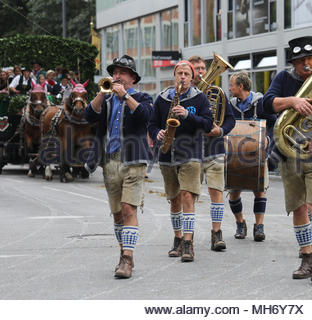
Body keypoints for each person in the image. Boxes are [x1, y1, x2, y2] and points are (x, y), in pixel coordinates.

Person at [262, 35, 312, 283]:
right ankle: (306, 256)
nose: (307, 64)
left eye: (310, 59)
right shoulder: (283, 79)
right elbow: (264, 105)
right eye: (301, 60)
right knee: (299, 207)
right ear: (293, 63)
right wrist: (292, 101)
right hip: (289, 153)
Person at [84, 54, 153, 279]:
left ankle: (127, 259)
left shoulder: (142, 97)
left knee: (128, 209)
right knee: (116, 215)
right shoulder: (106, 99)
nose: (116, 76)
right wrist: (101, 92)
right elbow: (88, 115)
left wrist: (125, 97)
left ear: (132, 77)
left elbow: (146, 117)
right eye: (114, 72)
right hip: (109, 160)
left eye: (121, 72)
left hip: (133, 159)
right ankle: (123, 251)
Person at [148, 60, 213, 262]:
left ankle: (188, 242)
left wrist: (187, 115)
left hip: (191, 153)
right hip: (167, 154)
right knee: (175, 198)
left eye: (186, 73)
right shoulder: (162, 98)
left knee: (187, 196)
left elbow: (208, 124)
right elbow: (151, 124)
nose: (182, 77)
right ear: (174, 76)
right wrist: (156, 132)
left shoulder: (200, 98)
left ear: (192, 77)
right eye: (179, 73)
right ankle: (177, 238)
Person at [188, 55, 236, 251]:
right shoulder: (184, 95)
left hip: (214, 147)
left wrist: (220, 130)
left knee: (216, 191)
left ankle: (217, 233)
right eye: (196, 68)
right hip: (190, 149)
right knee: (189, 194)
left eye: (202, 68)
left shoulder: (218, 93)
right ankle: (186, 236)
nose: (200, 72)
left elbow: (230, 120)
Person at [228, 71, 275, 241]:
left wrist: (267, 139)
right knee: (233, 192)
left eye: (232, 85)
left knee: (259, 190)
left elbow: (273, 123)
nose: (229, 88)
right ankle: (240, 223)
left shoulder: (261, 103)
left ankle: (259, 226)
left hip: (258, 153)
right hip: (235, 155)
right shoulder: (230, 105)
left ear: (240, 86)